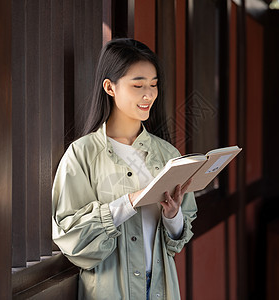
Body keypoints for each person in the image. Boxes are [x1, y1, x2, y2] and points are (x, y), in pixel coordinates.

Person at [52, 38, 197, 300]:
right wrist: (129, 202)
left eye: (153, 85)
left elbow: (177, 242)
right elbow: (70, 236)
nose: (149, 94)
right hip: (109, 291)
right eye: (138, 85)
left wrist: (173, 216)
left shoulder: (168, 154)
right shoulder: (81, 154)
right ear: (109, 87)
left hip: (161, 289)